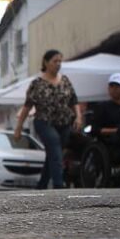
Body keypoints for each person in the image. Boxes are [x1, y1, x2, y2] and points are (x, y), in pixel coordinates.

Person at [13, 49, 82, 190]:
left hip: (64, 123)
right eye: (55, 61)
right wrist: (19, 127)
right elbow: (27, 107)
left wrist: (79, 117)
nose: (58, 64)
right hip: (44, 122)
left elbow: (74, 101)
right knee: (55, 146)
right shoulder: (37, 83)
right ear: (46, 62)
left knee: (53, 154)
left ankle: (42, 185)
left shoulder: (65, 81)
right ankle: (58, 185)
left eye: (60, 61)